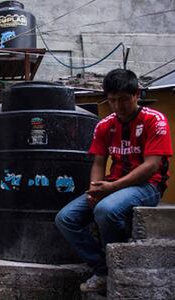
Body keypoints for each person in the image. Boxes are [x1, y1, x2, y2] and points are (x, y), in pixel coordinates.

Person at [55, 69, 172, 292]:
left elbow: (152, 166)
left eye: (124, 100)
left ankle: (110, 270)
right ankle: (103, 268)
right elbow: (99, 163)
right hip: (113, 185)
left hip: (148, 186)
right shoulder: (105, 125)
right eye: (112, 100)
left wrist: (111, 188)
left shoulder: (154, 121)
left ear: (137, 94)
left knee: (106, 210)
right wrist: (93, 190)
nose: (118, 106)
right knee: (65, 219)